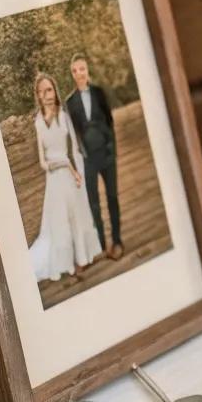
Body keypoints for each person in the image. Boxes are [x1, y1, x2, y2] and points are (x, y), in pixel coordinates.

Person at [28, 72, 102, 284]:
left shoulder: (64, 116)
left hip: (72, 176)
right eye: (42, 91)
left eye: (49, 89)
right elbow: (43, 162)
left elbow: (74, 149)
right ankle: (66, 262)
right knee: (59, 219)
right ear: (38, 96)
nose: (46, 94)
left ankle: (81, 257)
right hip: (55, 176)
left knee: (76, 214)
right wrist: (64, 165)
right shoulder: (39, 123)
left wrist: (77, 172)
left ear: (55, 91)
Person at [65, 54, 124, 260]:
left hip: (106, 154)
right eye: (75, 70)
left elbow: (109, 120)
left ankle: (117, 241)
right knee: (94, 203)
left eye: (82, 69)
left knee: (112, 197)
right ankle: (101, 243)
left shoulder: (99, 93)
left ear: (87, 70)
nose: (79, 73)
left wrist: (112, 148)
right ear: (72, 74)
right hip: (88, 159)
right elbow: (74, 133)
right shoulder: (70, 102)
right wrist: (81, 155)